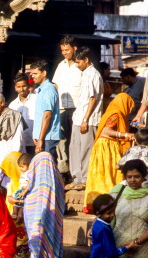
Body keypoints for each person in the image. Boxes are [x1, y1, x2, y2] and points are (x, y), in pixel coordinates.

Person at [23, 152, 65, 258]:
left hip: (37, 236)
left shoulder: (36, 190)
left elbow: (35, 216)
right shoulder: (57, 184)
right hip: (52, 238)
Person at [82, 93, 135, 214]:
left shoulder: (110, 111)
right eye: (129, 107)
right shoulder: (116, 113)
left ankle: (98, 204)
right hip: (107, 147)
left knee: (100, 176)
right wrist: (125, 135)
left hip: (102, 147)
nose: (129, 110)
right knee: (109, 175)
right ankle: (107, 204)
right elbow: (106, 131)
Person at [68, 46, 104, 191]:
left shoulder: (93, 75)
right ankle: (77, 178)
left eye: (78, 62)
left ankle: (84, 179)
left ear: (86, 60)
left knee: (85, 151)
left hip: (88, 120)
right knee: (75, 149)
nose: (77, 66)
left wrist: (85, 119)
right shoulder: (85, 74)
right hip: (78, 118)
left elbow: (92, 99)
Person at [52, 35, 82, 180]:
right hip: (62, 108)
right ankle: (65, 172)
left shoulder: (81, 65)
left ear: (74, 49)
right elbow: (56, 86)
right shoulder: (61, 66)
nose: (65, 53)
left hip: (77, 108)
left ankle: (77, 172)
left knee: (75, 141)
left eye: (67, 50)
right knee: (62, 141)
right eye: (63, 50)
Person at [0, 90, 25, 181]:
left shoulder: (15, 117)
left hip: (12, 161)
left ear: (1, 103)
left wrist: (9, 162)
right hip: (0, 163)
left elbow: (18, 143)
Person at [117, 126, 148, 195]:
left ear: (136, 140)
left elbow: (117, 166)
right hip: (145, 182)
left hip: (130, 182)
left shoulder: (130, 151)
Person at [30, 60, 62, 161]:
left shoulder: (48, 90)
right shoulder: (41, 90)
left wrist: (40, 139)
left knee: (47, 168)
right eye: (32, 74)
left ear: (44, 73)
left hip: (47, 137)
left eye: (35, 73)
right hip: (43, 137)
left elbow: (47, 115)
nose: (33, 76)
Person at [8, 72, 37, 155]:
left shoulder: (36, 100)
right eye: (18, 87)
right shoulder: (12, 105)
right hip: (19, 143)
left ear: (28, 86)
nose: (21, 89)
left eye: (24, 86)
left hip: (34, 141)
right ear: (15, 87)